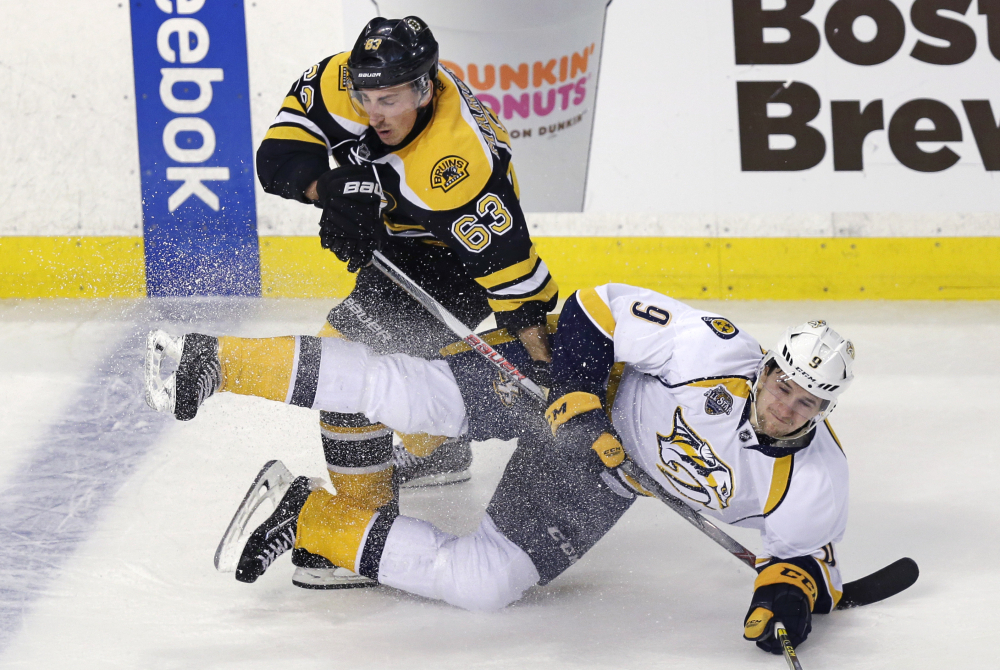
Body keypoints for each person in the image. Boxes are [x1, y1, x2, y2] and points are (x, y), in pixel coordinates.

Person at [145, 282, 855, 655]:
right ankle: (214, 361)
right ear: (766, 367)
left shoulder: (815, 480)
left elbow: (802, 560)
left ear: (824, 410)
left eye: (807, 401)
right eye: (782, 383)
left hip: (600, 478)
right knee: (415, 395)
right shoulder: (713, 353)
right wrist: (578, 395)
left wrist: (786, 600)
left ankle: (301, 512)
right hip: (575, 390)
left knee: (486, 583)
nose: (785, 404)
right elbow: (594, 308)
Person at [253, 16, 558, 587]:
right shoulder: (337, 80)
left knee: (343, 364)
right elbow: (277, 156)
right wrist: (331, 191)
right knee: (379, 365)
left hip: (455, 259)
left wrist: (548, 363)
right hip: (403, 236)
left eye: (388, 99)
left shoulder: (454, 164)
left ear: (423, 87)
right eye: (364, 96)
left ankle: (366, 526)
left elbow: (515, 279)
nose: (373, 112)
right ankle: (437, 450)